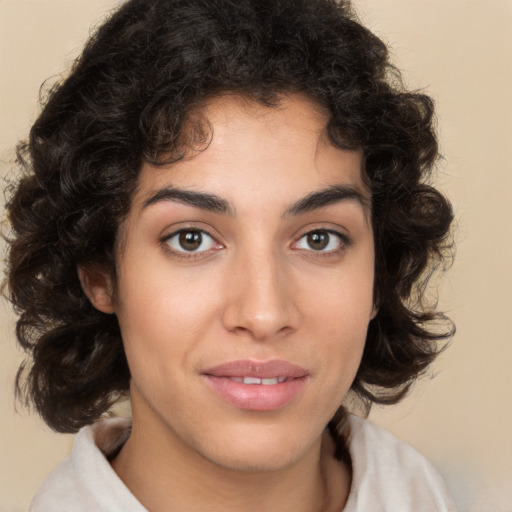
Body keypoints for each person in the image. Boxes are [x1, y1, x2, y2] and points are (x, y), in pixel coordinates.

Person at [4, 0, 457, 510]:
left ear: (379, 272)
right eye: (191, 238)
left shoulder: (422, 491)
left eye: (319, 238)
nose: (264, 314)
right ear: (100, 274)